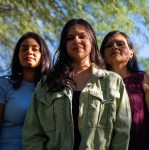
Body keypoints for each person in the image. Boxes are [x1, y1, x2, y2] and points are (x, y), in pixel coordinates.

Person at [23, 19, 131, 150]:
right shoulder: (47, 83)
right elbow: (32, 134)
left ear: (92, 41)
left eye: (82, 36)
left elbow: (122, 133)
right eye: (70, 38)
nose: (76, 41)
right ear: (64, 44)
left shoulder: (113, 81)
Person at [100, 30, 149, 150]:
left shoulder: (144, 78)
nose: (114, 47)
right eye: (109, 45)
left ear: (131, 53)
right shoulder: (98, 85)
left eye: (120, 44)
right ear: (103, 56)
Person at [0, 32, 51, 150]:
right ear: (17, 55)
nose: (29, 52)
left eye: (35, 49)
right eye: (24, 49)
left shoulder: (51, 90)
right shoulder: (4, 84)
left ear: (43, 55)